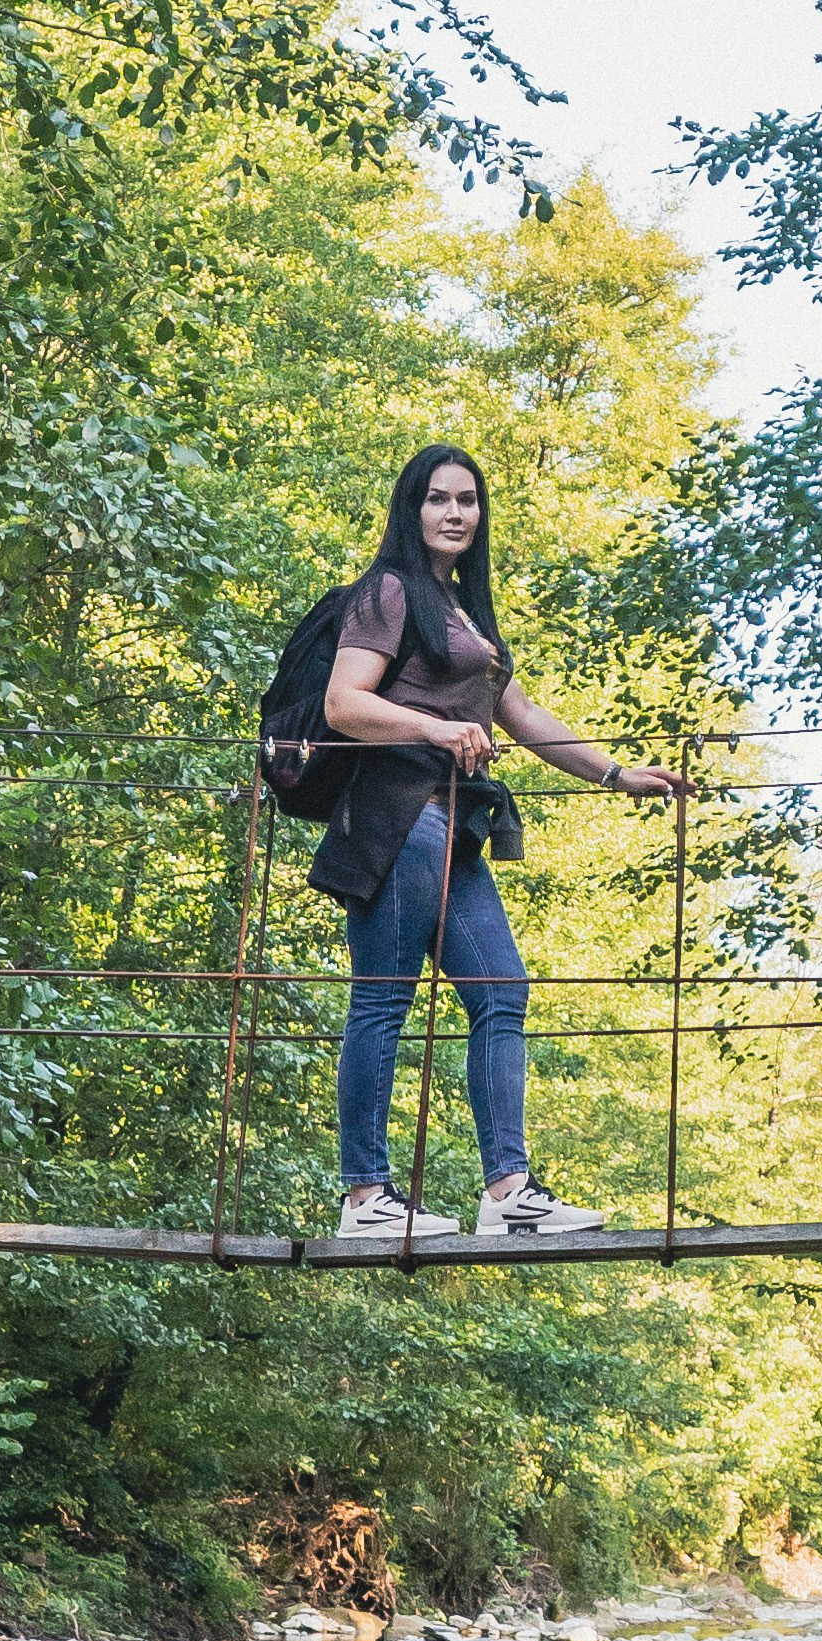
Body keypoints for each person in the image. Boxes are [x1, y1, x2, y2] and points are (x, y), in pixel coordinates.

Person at [311, 443, 683, 1239]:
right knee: (383, 996)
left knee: (500, 990)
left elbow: (524, 717)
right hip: (398, 815)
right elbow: (344, 705)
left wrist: (617, 773)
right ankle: (364, 1197)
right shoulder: (387, 591)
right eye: (438, 499)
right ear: (412, 510)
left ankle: (507, 1191)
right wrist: (438, 728)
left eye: (467, 501)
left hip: (455, 828)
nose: (454, 514)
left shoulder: (464, 614)